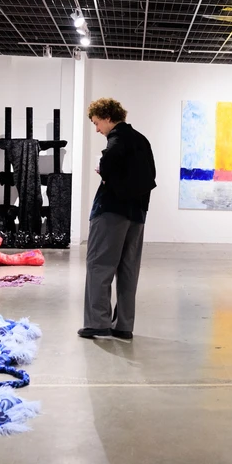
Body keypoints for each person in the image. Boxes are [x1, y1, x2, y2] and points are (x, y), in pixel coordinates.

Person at [78, 98, 156, 341]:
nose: (97, 129)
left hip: (112, 212)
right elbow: (150, 175)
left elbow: (108, 163)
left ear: (107, 117)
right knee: (128, 269)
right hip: (137, 214)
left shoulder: (117, 139)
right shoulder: (142, 140)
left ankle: (98, 323)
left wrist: (104, 174)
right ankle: (123, 326)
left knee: (99, 265)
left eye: (97, 122)